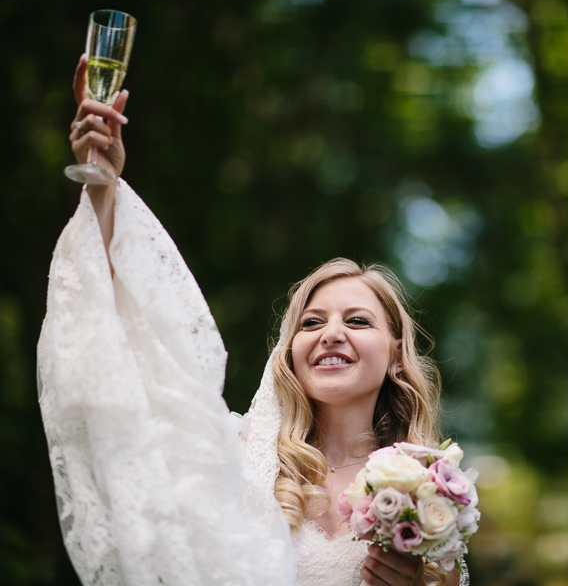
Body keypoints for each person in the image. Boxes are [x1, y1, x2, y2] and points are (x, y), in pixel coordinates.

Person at [37, 55, 466, 586]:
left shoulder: (431, 491)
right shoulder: (239, 455)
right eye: (311, 323)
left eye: (356, 320)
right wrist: (103, 184)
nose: (330, 333)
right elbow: (131, 371)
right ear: (289, 353)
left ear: (397, 354)